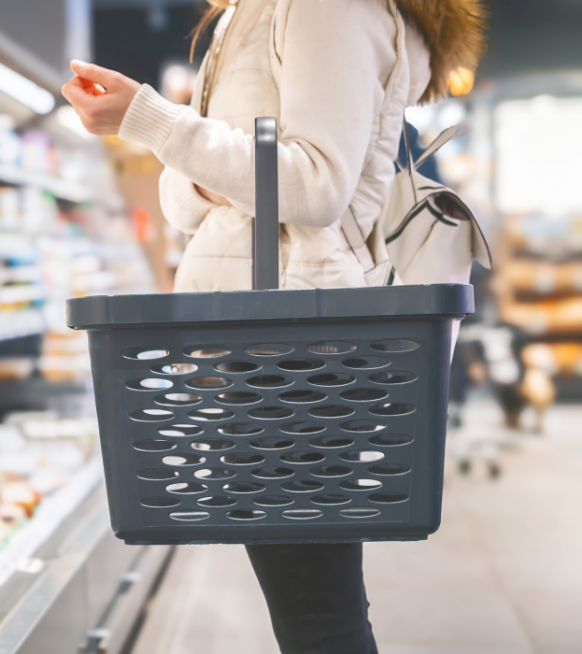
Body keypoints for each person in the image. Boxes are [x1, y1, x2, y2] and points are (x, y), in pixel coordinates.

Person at [62, 0, 485, 652]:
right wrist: (221, 168)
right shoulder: (242, 15)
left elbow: (315, 186)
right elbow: (181, 201)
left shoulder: (326, 8)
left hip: (297, 347)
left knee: (316, 613)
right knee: (312, 603)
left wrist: (153, 122)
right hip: (260, 342)